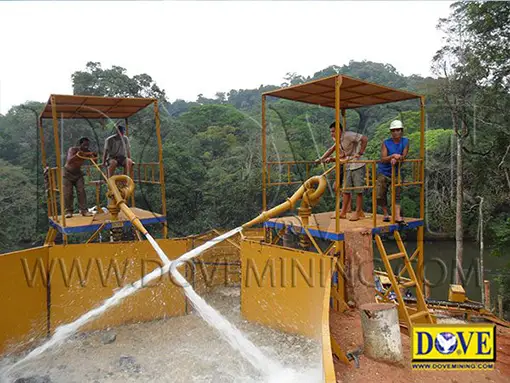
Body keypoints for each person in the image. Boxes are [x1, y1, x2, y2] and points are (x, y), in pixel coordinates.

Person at [317, 122, 368, 221]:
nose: (332, 134)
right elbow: (333, 150)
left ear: (339, 130)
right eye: (331, 132)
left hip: (358, 164)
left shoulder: (348, 135)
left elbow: (364, 139)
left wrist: (360, 152)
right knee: (345, 190)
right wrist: (323, 159)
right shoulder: (338, 140)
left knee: (358, 189)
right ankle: (343, 212)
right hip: (347, 164)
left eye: (333, 131)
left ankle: (358, 212)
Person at [376, 119, 409, 223]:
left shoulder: (405, 141)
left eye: (398, 130)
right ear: (391, 132)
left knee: (397, 193)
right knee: (380, 194)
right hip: (384, 171)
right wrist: (392, 156)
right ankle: (386, 213)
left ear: (401, 131)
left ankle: (397, 216)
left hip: (397, 171)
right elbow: (383, 158)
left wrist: (398, 158)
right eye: (393, 130)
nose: (396, 132)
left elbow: (404, 155)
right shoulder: (386, 143)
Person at [63, 137, 95, 218]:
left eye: (87, 145)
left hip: (78, 174)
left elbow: (94, 160)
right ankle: (69, 211)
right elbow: (70, 160)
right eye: (84, 145)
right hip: (68, 174)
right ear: (80, 144)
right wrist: (80, 154)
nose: (86, 147)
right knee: (68, 193)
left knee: (81, 191)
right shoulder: (73, 149)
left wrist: (93, 155)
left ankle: (84, 210)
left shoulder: (87, 152)